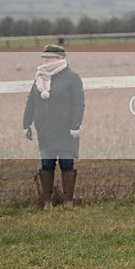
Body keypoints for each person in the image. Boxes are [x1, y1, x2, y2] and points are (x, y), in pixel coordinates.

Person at [22, 44, 84, 209]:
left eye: (48, 57)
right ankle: (47, 201)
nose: (45, 60)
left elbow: (79, 104)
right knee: (47, 164)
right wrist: (26, 123)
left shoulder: (72, 77)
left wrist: (75, 125)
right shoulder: (40, 77)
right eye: (44, 57)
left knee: (66, 164)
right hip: (45, 130)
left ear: (60, 58)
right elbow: (31, 101)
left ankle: (68, 200)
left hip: (65, 130)